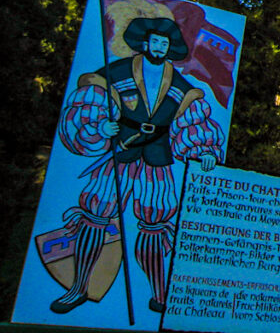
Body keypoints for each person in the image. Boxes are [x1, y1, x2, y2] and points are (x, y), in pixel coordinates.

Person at [50, 16, 225, 315]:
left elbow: (192, 123)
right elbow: (89, 105)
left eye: (164, 43)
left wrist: (205, 150)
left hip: (157, 158)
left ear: (169, 48)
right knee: (95, 213)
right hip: (122, 153)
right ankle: (78, 289)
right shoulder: (115, 72)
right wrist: (101, 128)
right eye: (155, 42)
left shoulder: (183, 87)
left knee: (155, 224)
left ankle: (160, 294)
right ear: (145, 44)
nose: (159, 47)